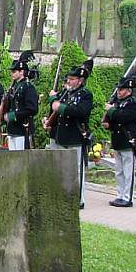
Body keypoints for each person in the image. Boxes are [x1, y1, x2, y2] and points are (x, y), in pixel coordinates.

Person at [45, 58, 93, 209]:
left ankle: (78, 199)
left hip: (75, 137)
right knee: (61, 170)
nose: (69, 81)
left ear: (80, 80)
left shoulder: (85, 94)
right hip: (61, 136)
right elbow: (55, 108)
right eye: (68, 79)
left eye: (72, 79)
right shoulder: (65, 93)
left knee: (77, 171)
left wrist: (60, 107)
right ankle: (63, 196)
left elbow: (80, 111)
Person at [102, 71, 136, 207]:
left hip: (128, 139)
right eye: (118, 89)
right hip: (118, 140)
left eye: (122, 89)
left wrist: (111, 110)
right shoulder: (118, 102)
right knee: (119, 171)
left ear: (129, 90)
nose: (119, 91)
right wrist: (108, 124)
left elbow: (124, 117)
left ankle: (127, 197)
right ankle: (119, 194)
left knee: (128, 171)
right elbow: (115, 121)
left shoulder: (132, 103)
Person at [0, 51, 38, 151]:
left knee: (22, 160)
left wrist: (14, 115)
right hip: (12, 128)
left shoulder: (28, 87)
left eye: (15, 71)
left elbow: (32, 109)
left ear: (22, 72)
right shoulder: (14, 86)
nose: (12, 74)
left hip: (23, 128)